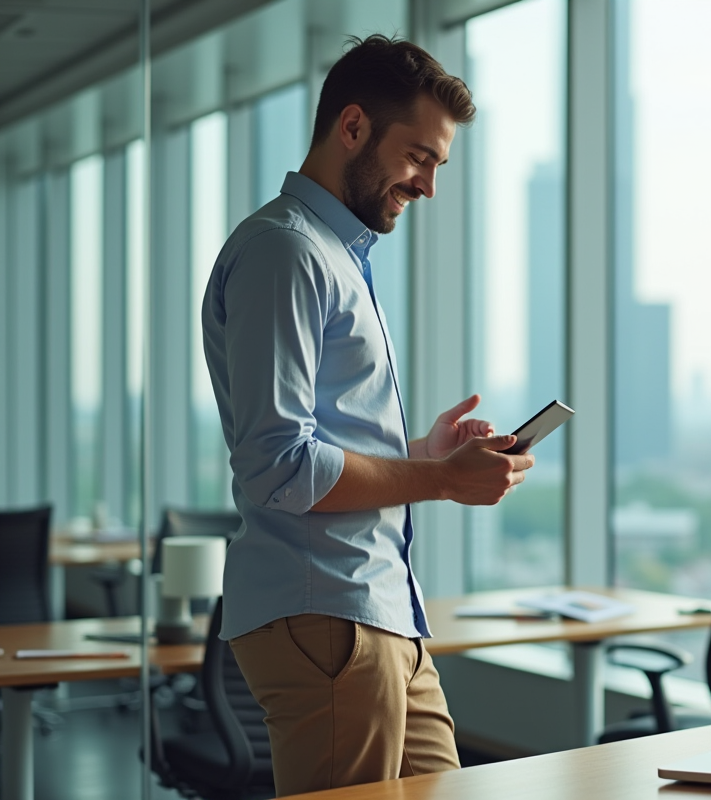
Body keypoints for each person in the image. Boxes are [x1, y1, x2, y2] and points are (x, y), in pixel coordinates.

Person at [200, 35, 533, 797]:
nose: (428, 185)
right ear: (352, 127)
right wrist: (440, 480)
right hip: (330, 618)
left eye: (439, 165)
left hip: (379, 613)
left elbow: (328, 442)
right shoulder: (286, 253)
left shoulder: (334, 254)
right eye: (419, 157)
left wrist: (425, 452)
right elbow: (278, 465)